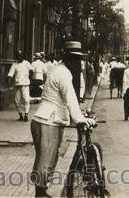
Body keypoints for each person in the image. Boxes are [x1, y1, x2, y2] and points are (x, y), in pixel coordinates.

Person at [30, 41, 96, 198]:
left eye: (79, 59)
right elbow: (70, 98)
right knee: (47, 159)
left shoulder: (58, 69)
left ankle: (41, 192)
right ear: (69, 59)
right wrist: (80, 119)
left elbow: (67, 100)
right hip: (49, 121)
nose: (78, 63)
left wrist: (79, 116)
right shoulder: (64, 73)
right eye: (76, 59)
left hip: (46, 119)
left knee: (48, 158)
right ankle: (40, 195)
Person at [8, 51, 33, 121]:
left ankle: (26, 115)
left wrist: (29, 80)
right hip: (17, 85)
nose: (19, 57)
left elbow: (31, 71)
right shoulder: (14, 64)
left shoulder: (26, 63)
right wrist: (9, 83)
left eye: (20, 56)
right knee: (17, 101)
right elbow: (10, 75)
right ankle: (20, 115)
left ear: (23, 56)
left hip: (25, 85)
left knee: (26, 99)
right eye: (18, 56)